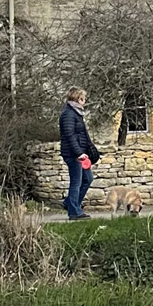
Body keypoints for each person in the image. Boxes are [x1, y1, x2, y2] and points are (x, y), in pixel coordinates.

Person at [59, 87, 100, 220]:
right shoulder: (68, 114)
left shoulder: (76, 113)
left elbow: (82, 135)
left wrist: (89, 150)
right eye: (83, 98)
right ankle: (74, 212)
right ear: (78, 98)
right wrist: (79, 153)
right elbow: (70, 136)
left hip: (81, 153)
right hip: (73, 154)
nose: (85, 101)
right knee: (76, 182)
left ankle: (70, 203)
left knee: (88, 178)